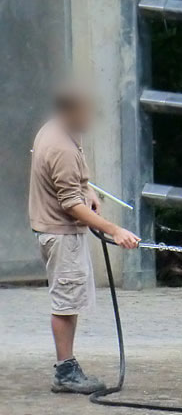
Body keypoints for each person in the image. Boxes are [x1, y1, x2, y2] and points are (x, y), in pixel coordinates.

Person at [28, 83, 141, 394]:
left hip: (61, 232)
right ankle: (65, 372)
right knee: (65, 303)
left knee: (70, 301)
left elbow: (77, 181)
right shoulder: (59, 146)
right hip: (61, 235)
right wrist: (113, 230)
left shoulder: (60, 130)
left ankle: (68, 366)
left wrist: (88, 188)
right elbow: (70, 204)